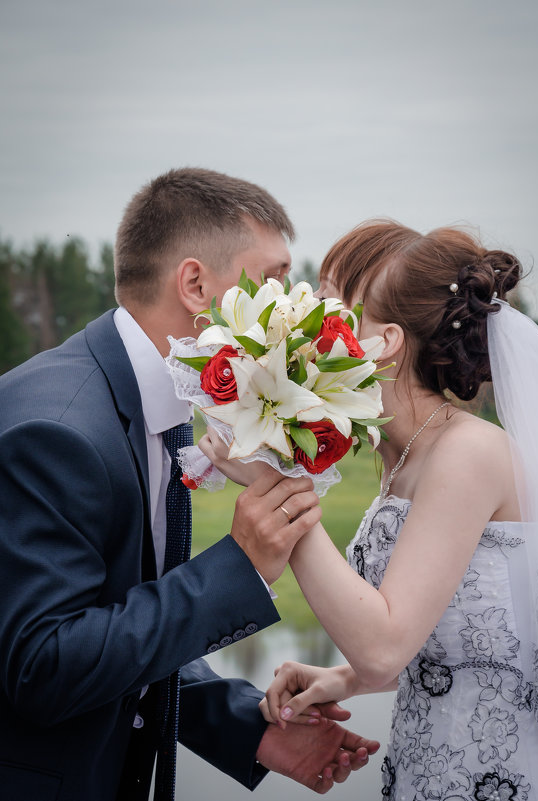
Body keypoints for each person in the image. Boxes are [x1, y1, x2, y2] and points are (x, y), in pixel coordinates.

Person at [0, 169, 379, 801]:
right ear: (197, 285)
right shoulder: (58, 432)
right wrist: (237, 566)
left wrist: (244, 727)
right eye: (275, 282)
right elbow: (43, 667)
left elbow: (118, 619)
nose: (293, 310)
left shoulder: (164, 407)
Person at [202, 220, 538, 800]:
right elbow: (456, 634)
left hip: (502, 775)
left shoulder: (467, 452)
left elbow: (381, 648)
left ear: (385, 342)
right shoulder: (402, 457)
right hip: (425, 771)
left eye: (325, 303)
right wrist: (339, 678)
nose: (301, 321)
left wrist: (276, 488)